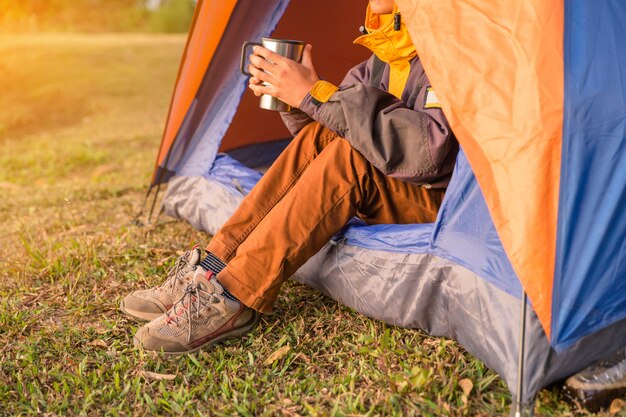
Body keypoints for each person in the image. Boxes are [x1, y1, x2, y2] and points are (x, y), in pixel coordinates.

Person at [120, 0, 458, 355]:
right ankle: (212, 266)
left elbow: (428, 154)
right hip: (398, 184)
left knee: (347, 156)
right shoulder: (384, 53)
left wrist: (317, 93)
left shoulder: (449, 48)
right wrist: (297, 102)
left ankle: (235, 293)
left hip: (441, 199)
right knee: (324, 138)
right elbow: (328, 135)